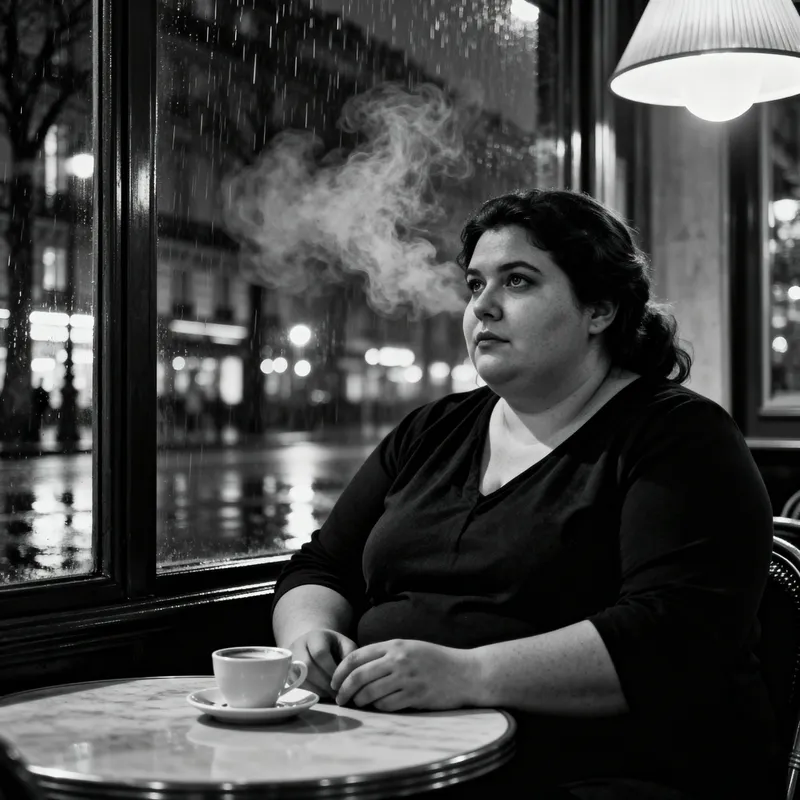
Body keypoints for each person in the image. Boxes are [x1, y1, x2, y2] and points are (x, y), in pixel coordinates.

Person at [271, 189, 778, 800]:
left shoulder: (680, 436)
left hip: (604, 773)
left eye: (517, 281)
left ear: (600, 309)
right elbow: (321, 567)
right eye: (475, 284)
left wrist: (467, 674)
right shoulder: (431, 430)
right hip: (401, 752)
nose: (483, 306)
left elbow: (674, 637)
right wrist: (307, 641)